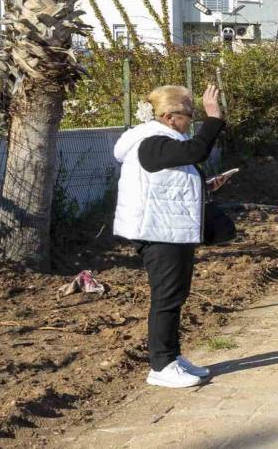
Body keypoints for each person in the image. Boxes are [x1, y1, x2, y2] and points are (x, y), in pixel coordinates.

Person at [113, 85, 232, 389]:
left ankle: (172, 358)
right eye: (188, 116)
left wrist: (206, 186)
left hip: (168, 229)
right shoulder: (152, 143)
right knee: (166, 298)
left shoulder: (160, 143)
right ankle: (161, 365)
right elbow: (196, 150)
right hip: (157, 232)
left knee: (175, 296)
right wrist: (214, 118)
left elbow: (168, 183)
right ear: (169, 117)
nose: (191, 122)